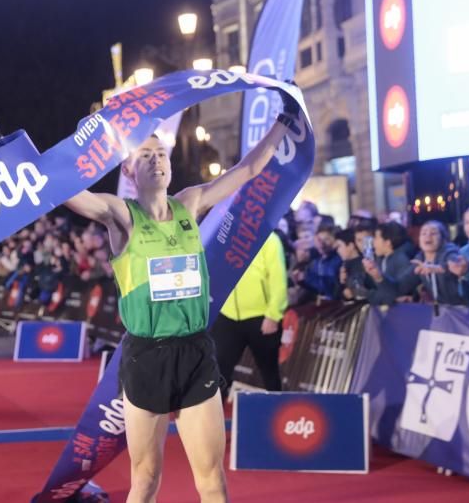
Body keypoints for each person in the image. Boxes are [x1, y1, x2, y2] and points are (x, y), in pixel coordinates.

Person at [62, 103, 297, 503]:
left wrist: (284, 122)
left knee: (212, 481)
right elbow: (66, 192)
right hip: (147, 356)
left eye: (161, 155)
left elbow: (248, 170)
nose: (156, 161)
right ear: (128, 170)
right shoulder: (121, 214)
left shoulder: (189, 202)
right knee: (146, 479)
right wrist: (15, 154)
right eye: (145, 156)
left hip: (195, 352)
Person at [211, 231, 288, 400]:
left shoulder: (270, 240)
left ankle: (277, 412)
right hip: (226, 315)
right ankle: (215, 418)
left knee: (269, 371)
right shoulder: (223, 238)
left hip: (261, 317)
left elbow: (279, 280)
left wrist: (273, 315)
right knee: (218, 371)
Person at [402, 221, 465, 306]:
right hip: (440, 312)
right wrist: (380, 279)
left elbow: (454, 264)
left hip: (462, 310)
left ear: (443, 239)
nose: (428, 236)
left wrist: (438, 268)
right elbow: (401, 285)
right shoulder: (420, 260)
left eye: (433, 233)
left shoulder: (450, 252)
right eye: (423, 233)